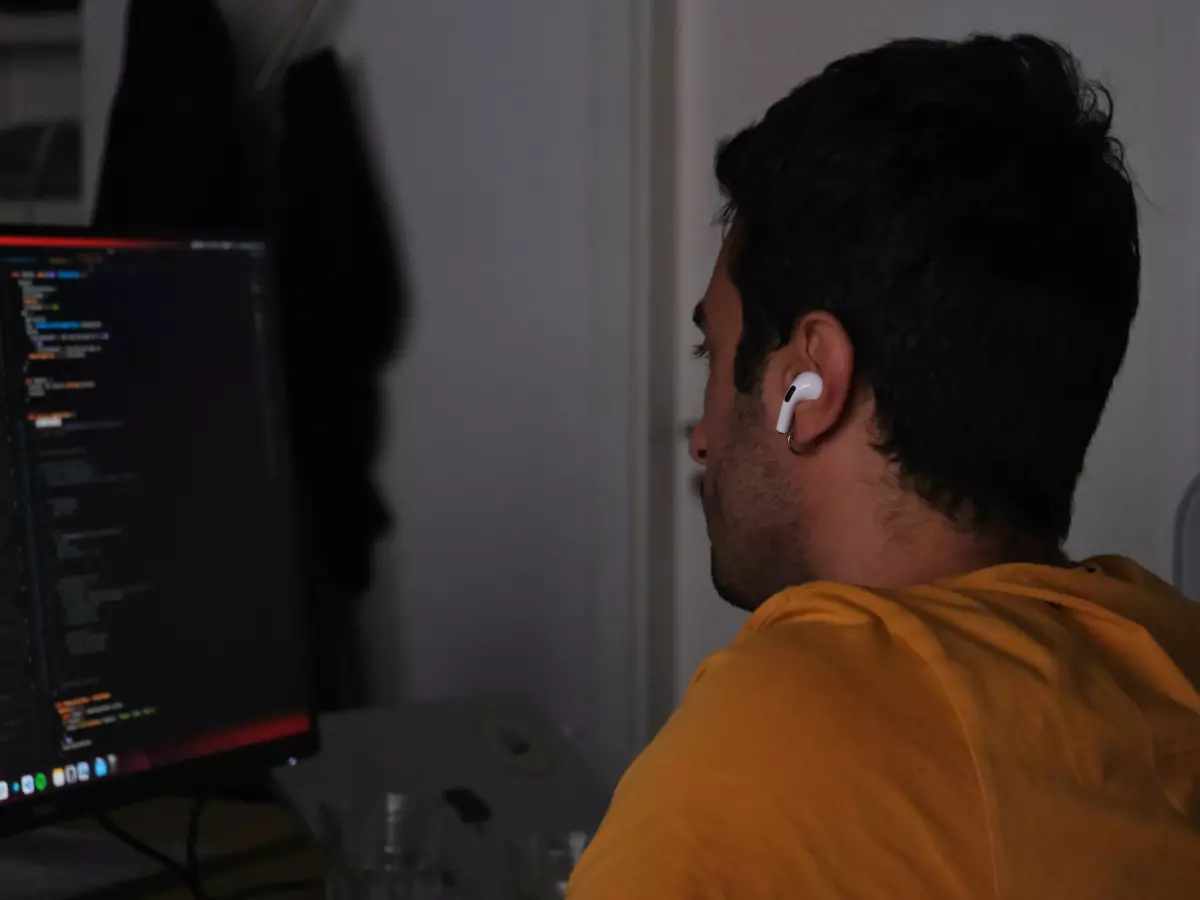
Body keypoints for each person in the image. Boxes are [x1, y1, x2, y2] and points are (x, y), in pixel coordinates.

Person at [566, 33, 1200, 899]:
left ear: (810, 380)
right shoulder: (1168, 650)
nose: (702, 438)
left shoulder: (774, 754)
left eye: (710, 353)